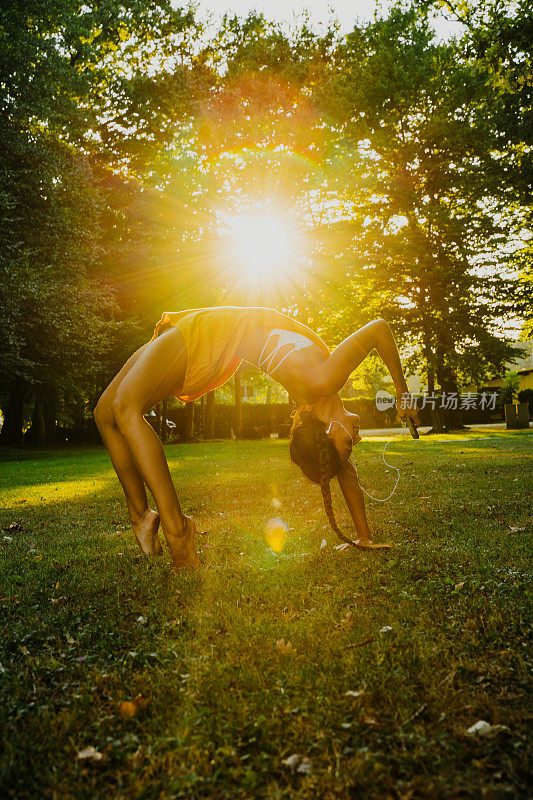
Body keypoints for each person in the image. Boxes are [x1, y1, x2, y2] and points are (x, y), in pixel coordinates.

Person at [93, 306, 421, 568]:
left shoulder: (318, 394)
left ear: (326, 430)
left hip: (211, 335)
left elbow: (343, 471)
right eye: (351, 443)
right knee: (106, 413)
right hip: (212, 331)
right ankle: (143, 516)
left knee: (123, 408)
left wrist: (364, 538)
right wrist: (403, 395)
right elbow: (379, 328)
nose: (357, 439)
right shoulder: (323, 382)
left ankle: (175, 530)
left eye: (350, 442)